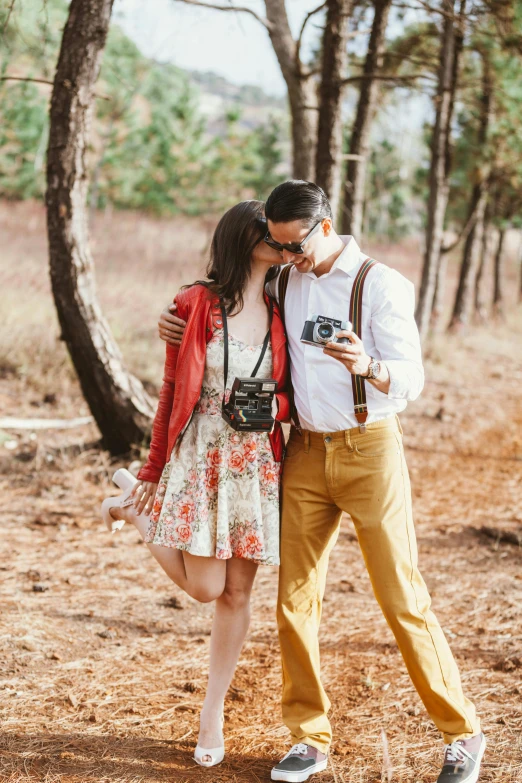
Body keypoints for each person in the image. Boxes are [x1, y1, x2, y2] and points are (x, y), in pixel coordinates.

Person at [158, 180, 485, 783]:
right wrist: (175, 323)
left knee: (402, 599)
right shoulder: (286, 279)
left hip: (370, 450)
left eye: (295, 245)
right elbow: (231, 301)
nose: (289, 257)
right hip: (303, 453)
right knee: (294, 603)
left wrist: (371, 366)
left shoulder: (381, 284)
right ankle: (308, 737)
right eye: (280, 247)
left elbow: (413, 378)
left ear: (325, 225)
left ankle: (461, 733)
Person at [101, 200, 289, 768]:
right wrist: (154, 470)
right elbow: (168, 392)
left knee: (237, 593)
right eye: (270, 234)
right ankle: (136, 508)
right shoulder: (195, 303)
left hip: (255, 462)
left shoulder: (286, 306)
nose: (282, 243)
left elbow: (294, 391)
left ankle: (213, 712)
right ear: (244, 237)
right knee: (206, 588)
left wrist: (272, 409)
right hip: (201, 455)